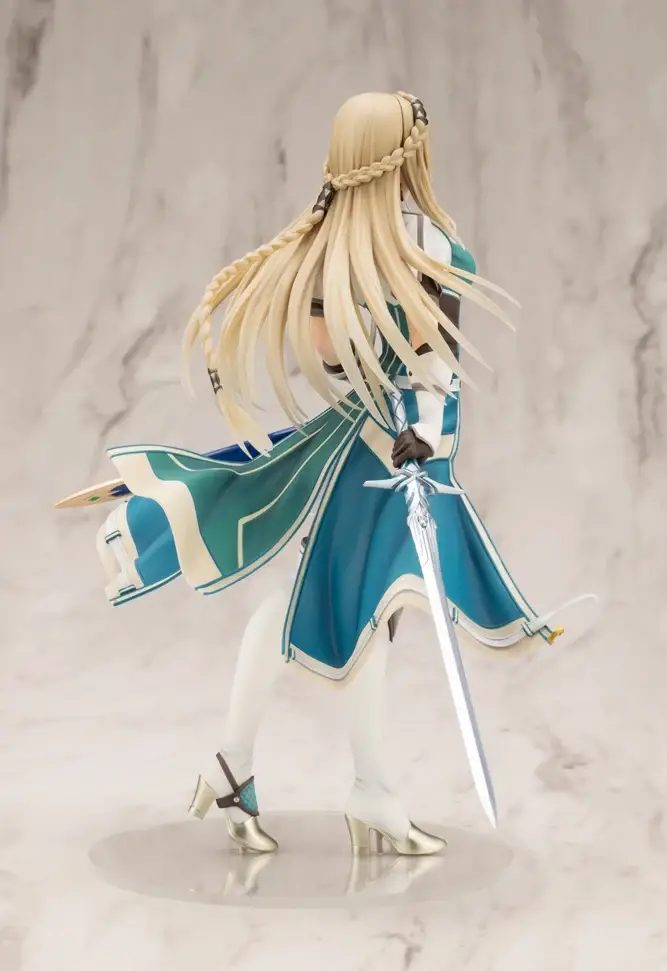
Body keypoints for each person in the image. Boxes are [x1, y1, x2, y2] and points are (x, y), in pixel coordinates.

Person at [72, 91, 580, 856]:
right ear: (399, 154)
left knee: (358, 616)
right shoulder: (347, 252)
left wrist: (423, 428)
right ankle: (299, 777)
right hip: (378, 455)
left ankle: (287, 776)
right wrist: (363, 329)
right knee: (348, 612)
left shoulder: (427, 249)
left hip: (410, 451)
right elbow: (339, 356)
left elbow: (434, 361)